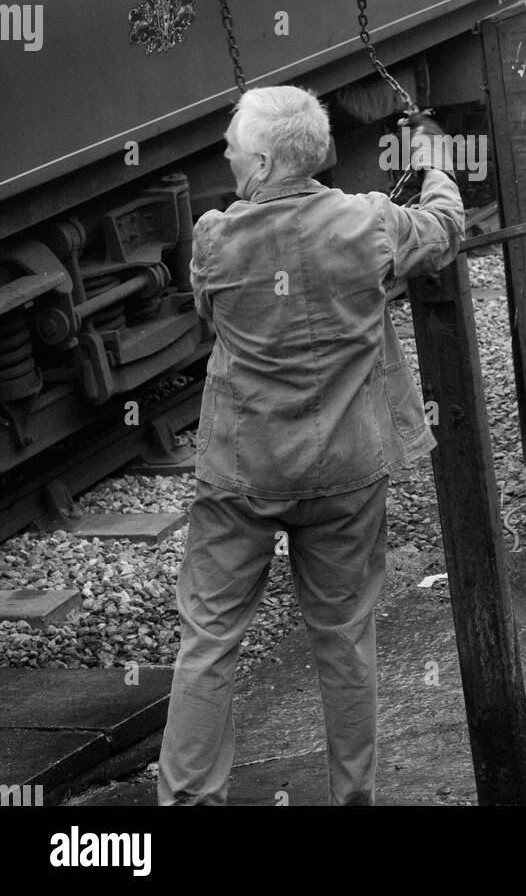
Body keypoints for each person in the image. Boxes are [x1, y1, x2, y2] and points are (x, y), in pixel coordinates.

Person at [158, 84, 464, 806]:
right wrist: (436, 163)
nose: (226, 153)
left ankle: (190, 803)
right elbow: (447, 226)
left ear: (261, 163)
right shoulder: (371, 225)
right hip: (347, 472)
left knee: (209, 641)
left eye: (234, 145)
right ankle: (352, 799)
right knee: (344, 639)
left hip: (244, 474)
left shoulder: (214, 238)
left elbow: (211, 312)